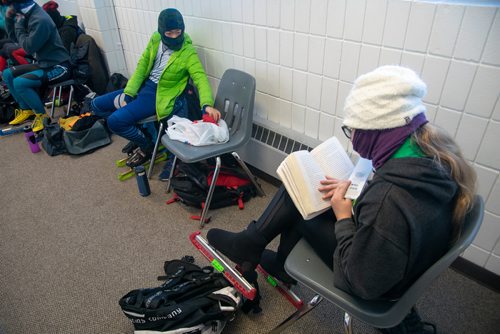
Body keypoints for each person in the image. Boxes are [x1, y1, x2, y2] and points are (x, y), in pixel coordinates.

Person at [207, 66, 477, 333]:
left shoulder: (389, 199)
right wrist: (361, 194)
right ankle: (263, 252)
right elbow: (397, 216)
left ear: (377, 131)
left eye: (352, 130)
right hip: (403, 259)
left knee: (301, 200)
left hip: (375, 279)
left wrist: (345, 215)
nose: (352, 138)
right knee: (308, 191)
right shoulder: (435, 153)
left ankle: (255, 248)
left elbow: (360, 280)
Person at [91, 8, 220, 178]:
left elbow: (201, 79)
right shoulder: (155, 39)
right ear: (161, 31)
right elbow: (142, 66)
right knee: (96, 104)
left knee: (115, 122)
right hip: (144, 87)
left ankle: (148, 145)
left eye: (178, 32)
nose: (174, 36)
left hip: (159, 95)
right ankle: (147, 134)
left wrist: (207, 105)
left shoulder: (187, 52)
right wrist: (129, 93)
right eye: (169, 32)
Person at [3, 0, 71, 132]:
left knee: (20, 83)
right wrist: (9, 18)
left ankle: (42, 117)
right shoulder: (26, 15)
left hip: (60, 66)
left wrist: (19, 24)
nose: (10, 7)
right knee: (8, 74)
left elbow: (28, 48)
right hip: (44, 64)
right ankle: (27, 110)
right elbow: (14, 38)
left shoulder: (40, 20)